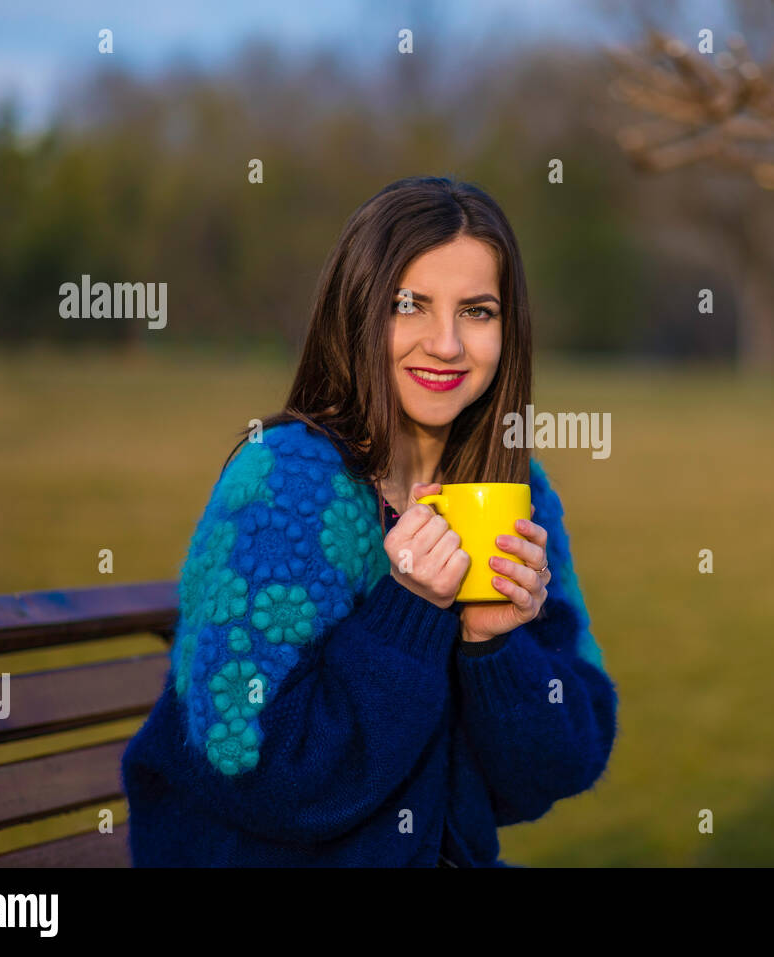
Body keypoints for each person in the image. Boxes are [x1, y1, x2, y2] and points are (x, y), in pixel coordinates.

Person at [120, 175, 618, 866]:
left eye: (477, 311)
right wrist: (409, 611)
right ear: (356, 311)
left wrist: (495, 648)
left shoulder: (512, 488)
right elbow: (254, 765)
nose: (445, 343)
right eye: (409, 305)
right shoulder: (290, 480)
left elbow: (563, 761)